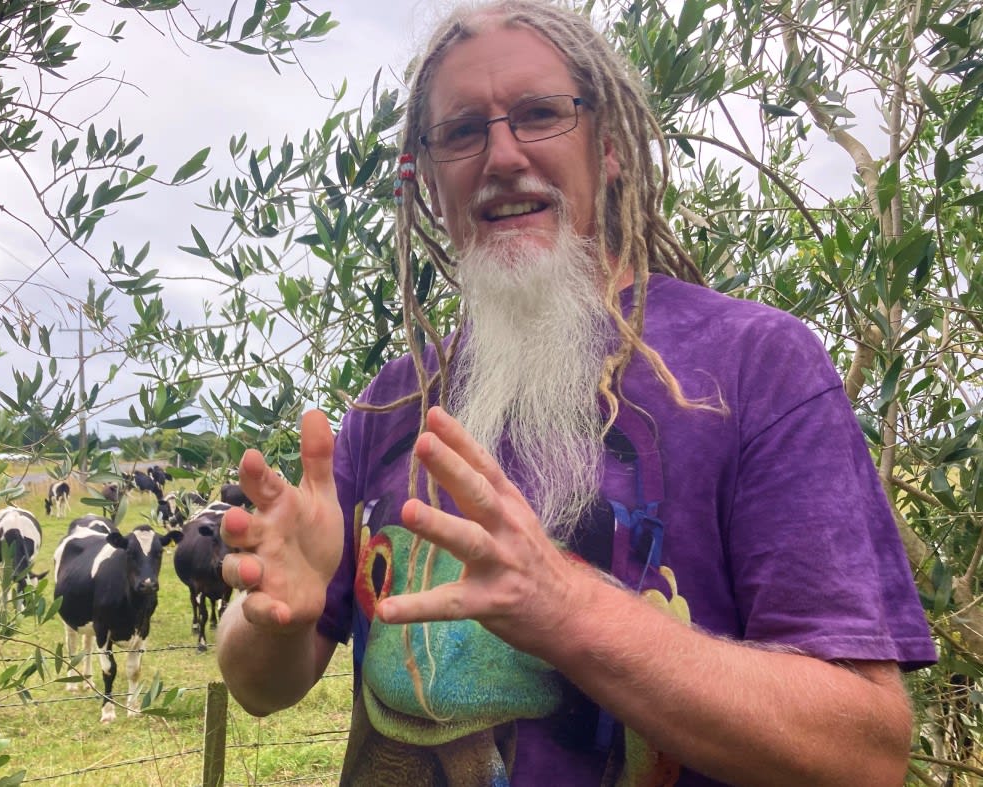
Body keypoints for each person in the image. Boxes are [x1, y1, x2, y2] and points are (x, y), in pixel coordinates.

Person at [215, 1, 937, 784]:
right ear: (426, 178)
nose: (501, 155)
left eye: (539, 114)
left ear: (611, 146)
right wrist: (275, 617)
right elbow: (258, 685)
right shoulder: (389, 406)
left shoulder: (758, 367)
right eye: (462, 131)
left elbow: (865, 752)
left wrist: (568, 609)